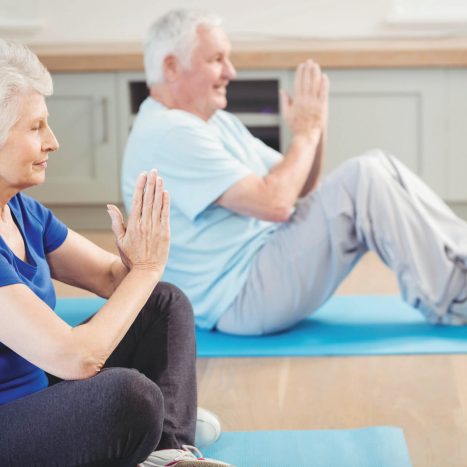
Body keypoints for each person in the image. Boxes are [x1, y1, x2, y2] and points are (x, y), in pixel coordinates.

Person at [122, 9, 467, 336]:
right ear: (171, 67)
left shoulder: (211, 122)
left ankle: (459, 273)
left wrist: (317, 126)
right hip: (239, 297)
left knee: (376, 166)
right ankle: (454, 299)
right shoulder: (170, 133)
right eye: (216, 60)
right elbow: (276, 203)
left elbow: (299, 187)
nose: (231, 72)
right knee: (365, 177)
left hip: (262, 265)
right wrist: (306, 132)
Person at [0, 40, 233, 467]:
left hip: (39, 388)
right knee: (131, 397)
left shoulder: (20, 211)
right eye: (35, 128)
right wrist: (144, 268)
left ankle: (170, 450)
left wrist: (135, 261)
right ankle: (155, 417)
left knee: (164, 301)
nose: (53, 142)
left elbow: (110, 278)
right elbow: (77, 357)